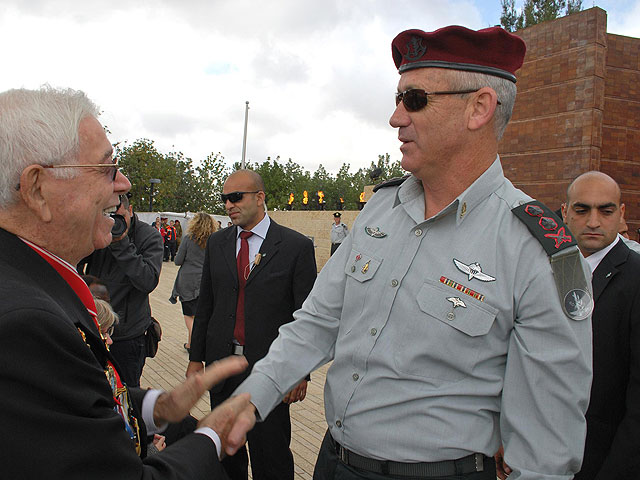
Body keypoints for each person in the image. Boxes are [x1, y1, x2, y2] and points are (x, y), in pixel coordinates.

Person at [227, 26, 594, 480]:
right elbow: (319, 322)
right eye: (398, 98)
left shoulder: (542, 250)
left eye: (414, 99)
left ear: (479, 108)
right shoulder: (382, 207)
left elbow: (547, 448)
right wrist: (251, 398)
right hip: (333, 462)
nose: (395, 117)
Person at [0, 86, 254, 479]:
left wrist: (158, 406)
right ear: (37, 189)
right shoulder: (25, 323)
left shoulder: (27, 276)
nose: (122, 184)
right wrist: (212, 437)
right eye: (106, 169)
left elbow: (75, 405)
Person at [187, 169, 317, 480]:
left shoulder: (295, 246)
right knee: (227, 456)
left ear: (259, 198)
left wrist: (301, 372)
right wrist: (195, 358)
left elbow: (306, 316)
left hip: (270, 369)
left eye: (236, 197)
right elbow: (207, 304)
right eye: (224, 199)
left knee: (269, 455)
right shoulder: (218, 243)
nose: (229, 204)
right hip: (223, 366)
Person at [561, 172, 640, 479]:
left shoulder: (634, 279)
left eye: (605, 211)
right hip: (539, 455)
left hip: (604, 461)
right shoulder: (547, 269)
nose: (593, 222)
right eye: (582, 210)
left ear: (621, 214)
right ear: (565, 212)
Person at [79, 193, 163, 387]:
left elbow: (148, 281)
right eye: (109, 216)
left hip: (128, 336)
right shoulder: (99, 230)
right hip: (94, 328)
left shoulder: (148, 237)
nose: (114, 223)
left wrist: (121, 243)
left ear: (131, 210)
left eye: (120, 217)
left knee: (126, 392)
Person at [170, 212, 219, 353]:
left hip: (188, 281)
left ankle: (193, 344)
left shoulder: (188, 239)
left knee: (188, 314)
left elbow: (178, 261)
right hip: (206, 280)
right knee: (200, 314)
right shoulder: (214, 240)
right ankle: (195, 343)